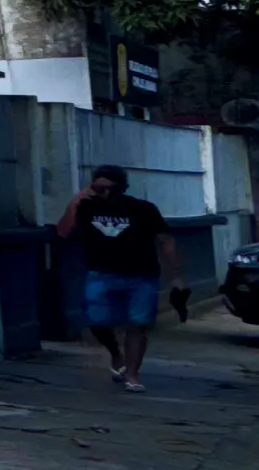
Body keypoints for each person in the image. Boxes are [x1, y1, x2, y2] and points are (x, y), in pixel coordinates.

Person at [58, 163, 187, 390]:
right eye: (100, 189)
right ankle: (115, 353)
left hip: (141, 274)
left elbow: (166, 240)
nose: (106, 194)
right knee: (96, 321)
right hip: (101, 273)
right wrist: (77, 200)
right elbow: (63, 231)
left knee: (137, 324)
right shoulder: (87, 207)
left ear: (123, 188)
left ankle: (132, 374)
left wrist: (175, 276)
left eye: (112, 189)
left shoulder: (143, 209)